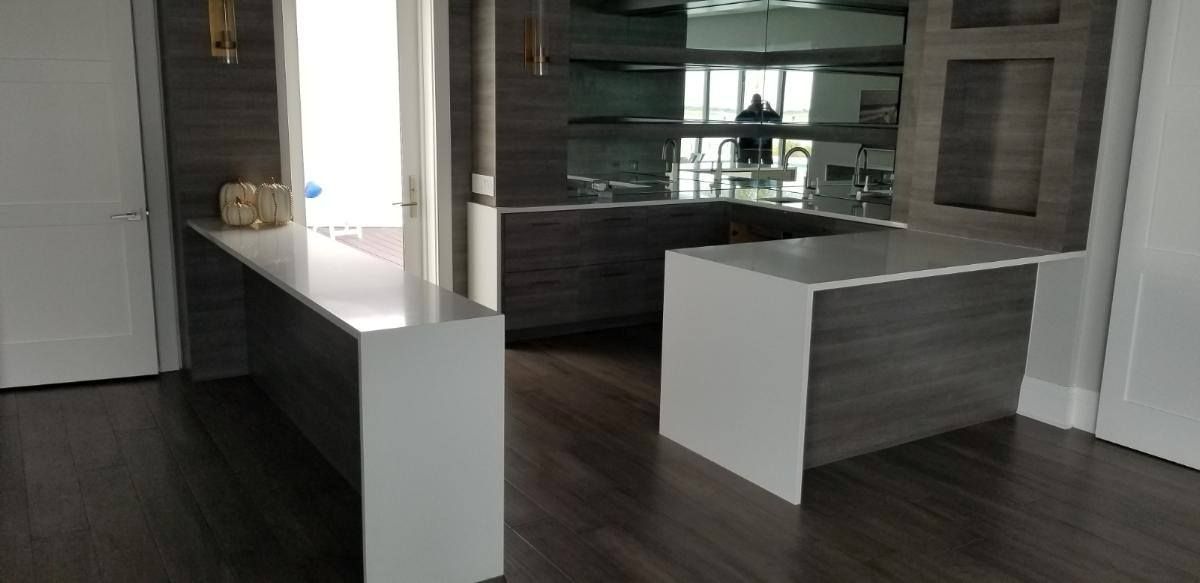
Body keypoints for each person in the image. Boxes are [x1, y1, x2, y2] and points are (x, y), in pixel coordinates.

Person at [735, 93, 782, 165]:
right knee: (742, 168)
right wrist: (747, 110)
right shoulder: (746, 113)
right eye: (755, 101)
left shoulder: (766, 113)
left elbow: (778, 120)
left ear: (761, 102)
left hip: (763, 147)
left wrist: (770, 109)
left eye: (758, 101)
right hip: (746, 146)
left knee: (761, 169)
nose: (756, 103)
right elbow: (737, 121)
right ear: (751, 102)